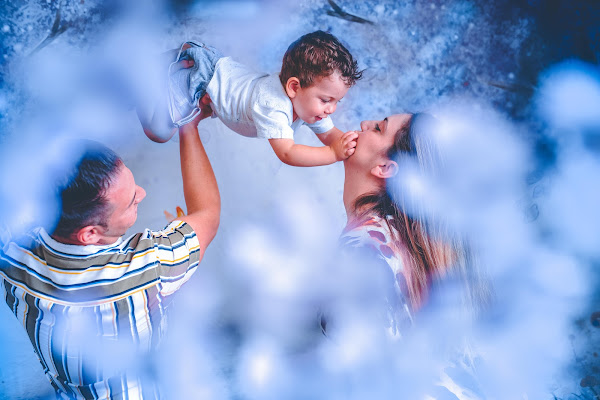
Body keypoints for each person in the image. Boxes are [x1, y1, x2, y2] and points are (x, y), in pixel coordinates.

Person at [0, 114, 219, 399]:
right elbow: (208, 215)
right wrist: (188, 125)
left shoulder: (12, 253)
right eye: (131, 201)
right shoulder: (148, 266)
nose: (142, 192)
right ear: (89, 234)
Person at [138, 30, 361, 167]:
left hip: (221, 76)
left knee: (169, 125)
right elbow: (287, 152)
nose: (331, 109)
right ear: (294, 87)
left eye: (336, 101)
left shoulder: (309, 105)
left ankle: (156, 70)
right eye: (326, 100)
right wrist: (333, 153)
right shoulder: (273, 104)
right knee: (159, 133)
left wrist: (359, 147)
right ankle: (141, 82)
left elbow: (331, 135)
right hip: (201, 80)